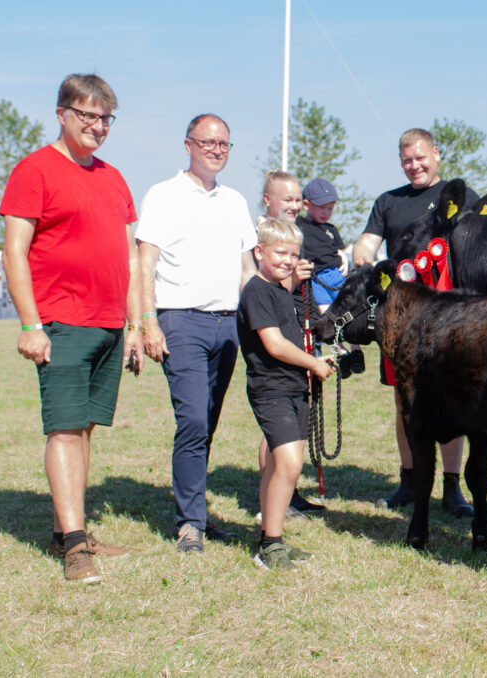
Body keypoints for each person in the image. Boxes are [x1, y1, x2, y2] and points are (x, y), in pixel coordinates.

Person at [0, 73, 141, 584]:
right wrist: (31, 323)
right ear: (61, 113)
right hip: (60, 321)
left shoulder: (114, 177)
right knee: (63, 428)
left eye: (105, 118)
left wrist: (135, 324)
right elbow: (15, 251)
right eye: (87, 115)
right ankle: (75, 548)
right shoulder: (33, 170)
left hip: (107, 323)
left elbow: (128, 256)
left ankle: (68, 528)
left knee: (82, 428)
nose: (97, 126)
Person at [136, 113, 258, 553]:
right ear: (188, 144)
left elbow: (248, 271)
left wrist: (263, 315)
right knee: (191, 420)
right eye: (208, 142)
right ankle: (190, 522)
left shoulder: (236, 202)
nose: (216, 149)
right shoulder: (163, 195)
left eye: (224, 144)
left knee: (207, 420)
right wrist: (147, 320)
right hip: (180, 321)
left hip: (228, 325)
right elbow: (144, 263)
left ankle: (197, 512)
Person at [352, 128, 476, 517]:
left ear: (436, 154)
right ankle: (408, 482)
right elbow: (367, 244)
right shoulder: (388, 201)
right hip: (400, 319)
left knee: (451, 400)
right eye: (407, 160)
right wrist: (361, 255)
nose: (414, 165)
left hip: (449, 315)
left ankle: (452, 489)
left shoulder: (461, 197)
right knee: (404, 401)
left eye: (421, 157)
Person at [238, 217, 338, 569]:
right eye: (280, 253)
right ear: (259, 251)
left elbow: (290, 341)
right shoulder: (256, 291)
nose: (287, 260)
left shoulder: (281, 289)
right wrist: (312, 363)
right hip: (271, 390)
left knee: (277, 467)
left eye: (293, 254)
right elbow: (275, 345)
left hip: (294, 388)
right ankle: (272, 545)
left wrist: (316, 359)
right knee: (290, 465)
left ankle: (271, 537)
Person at [256, 169, 324, 518]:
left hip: (295, 329)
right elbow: (259, 295)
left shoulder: (299, 237)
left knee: (295, 422)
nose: (296, 205)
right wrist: (291, 280)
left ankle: (286, 495)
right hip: (272, 342)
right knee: (276, 428)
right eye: (289, 199)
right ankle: (270, 501)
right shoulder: (260, 241)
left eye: (299, 199)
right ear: (269, 200)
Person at [297, 177, 364, 373]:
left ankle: (356, 349)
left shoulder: (331, 230)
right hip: (318, 280)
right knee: (328, 318)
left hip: (337, 276)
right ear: (307, 205)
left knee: (349, 313)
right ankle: (341, 352)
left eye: (330, 208)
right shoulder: (300, 226)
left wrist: (344, 258)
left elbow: (338, 251)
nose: (326, 212)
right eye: (322, 208)